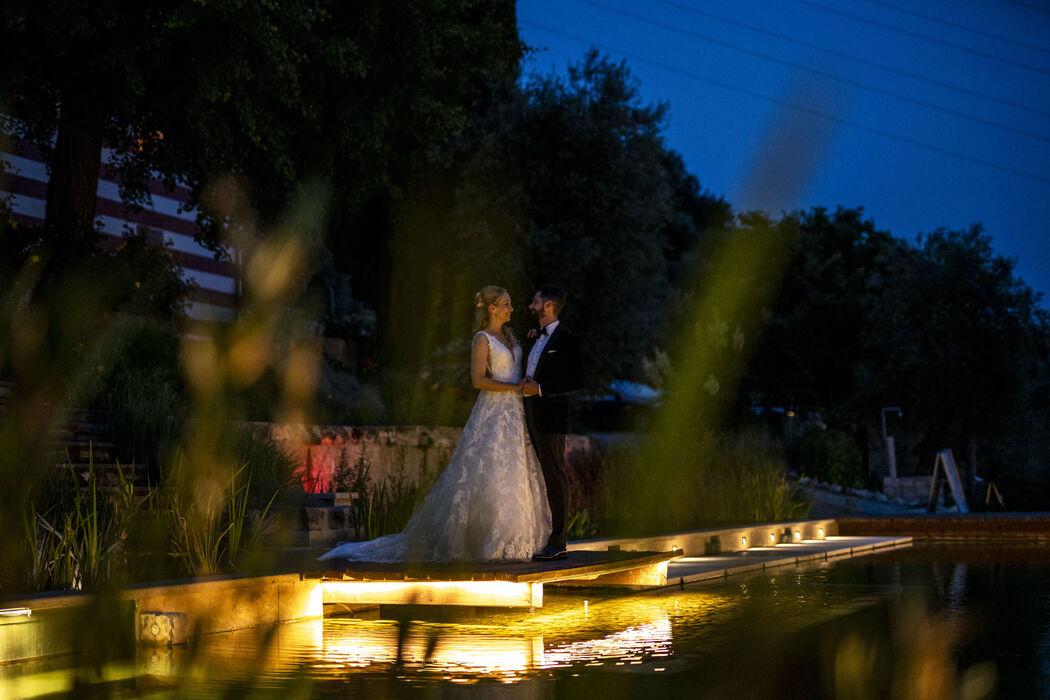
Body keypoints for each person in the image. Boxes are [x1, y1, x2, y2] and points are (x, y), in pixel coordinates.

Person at [319, 286, 551, 563]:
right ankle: (484, 538)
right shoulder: (482, 339)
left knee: (512, 469)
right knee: (487, 468)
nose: (511, 308)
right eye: (506, 304)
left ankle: (511, 536)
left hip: (515, 413)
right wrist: (514, 387)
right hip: (494, 410)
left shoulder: (512, 337)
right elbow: (478, 380)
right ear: (491, 308)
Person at [523, 285, 584, 561]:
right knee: (534, 477)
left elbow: (576, 381)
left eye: (535, 302)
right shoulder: (534, 336)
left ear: (548, 305)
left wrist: (541, 389)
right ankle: (538, 535)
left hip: (551, 418)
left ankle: (558, 542)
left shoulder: (568, 339)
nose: (530, 306)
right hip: (526, 416)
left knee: (554, 476)